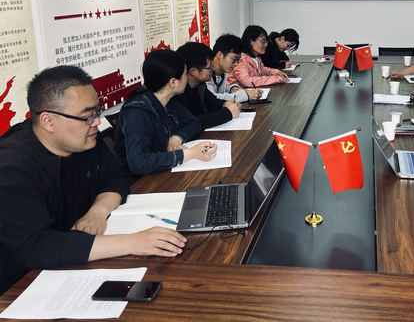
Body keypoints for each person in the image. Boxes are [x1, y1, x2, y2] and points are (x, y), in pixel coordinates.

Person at [0, 66, 188, 295]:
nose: (97, 122)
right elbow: (35, 247)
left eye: (97, 112)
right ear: (48, 121)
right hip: (21, 286)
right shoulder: (11, 166)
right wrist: (133, 242)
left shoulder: (85, 139)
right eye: (87, 116)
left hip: (77, 259)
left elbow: (116, 177)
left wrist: (98, 211)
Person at [115, 49, 215, 176]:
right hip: (140, 181)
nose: (187, 78)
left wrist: (177, 137)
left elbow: (194, 122)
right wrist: (188, 154)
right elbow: (139, 163)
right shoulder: (137, 113)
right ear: (172, 82)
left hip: (162, 172)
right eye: (185, 74)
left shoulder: (168, 100)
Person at [175, 42, 241, 128]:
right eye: (210, 67)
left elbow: (212, 102)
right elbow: (192, 121)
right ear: (193, 71)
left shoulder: (200, 85)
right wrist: (228, 113)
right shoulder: (178, 92)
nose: (213, 69)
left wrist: (226, 104)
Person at [206, 34, 263, 103]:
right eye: (234, 59)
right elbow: (214, 98)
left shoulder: (223, 71)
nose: (236, 64)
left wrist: (232, 88)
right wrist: (247, 95)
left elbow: (220, 91)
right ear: (219, 55)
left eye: (238, 60)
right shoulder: (206, 72)